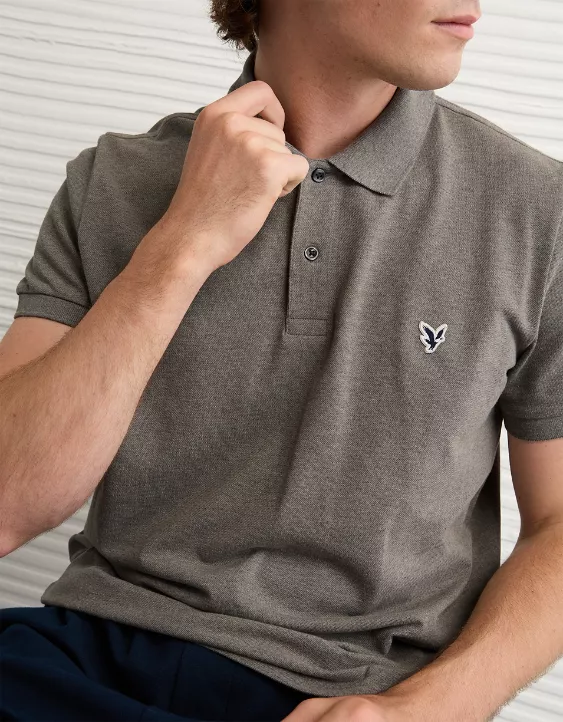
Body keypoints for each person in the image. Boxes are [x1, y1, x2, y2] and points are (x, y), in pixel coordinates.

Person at [1, 1, 563, 721]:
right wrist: (183, 241)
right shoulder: (111, 179)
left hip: (346, 697)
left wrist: (419, 711)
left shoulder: (537, 212)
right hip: (85, 659)